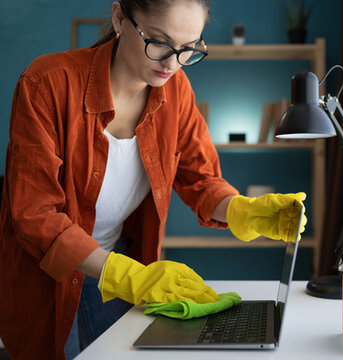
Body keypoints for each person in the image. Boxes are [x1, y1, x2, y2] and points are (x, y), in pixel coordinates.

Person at [0, 1, 307, 359]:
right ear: (119, 18)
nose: (172, 63)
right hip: (49, 276)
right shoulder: (47, 84)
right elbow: (35, 215)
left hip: (120, 264)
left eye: (189, 48)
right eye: (159, 42)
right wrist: (131, 276)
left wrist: (242, 210)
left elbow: (202, 180)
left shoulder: (176, 91)